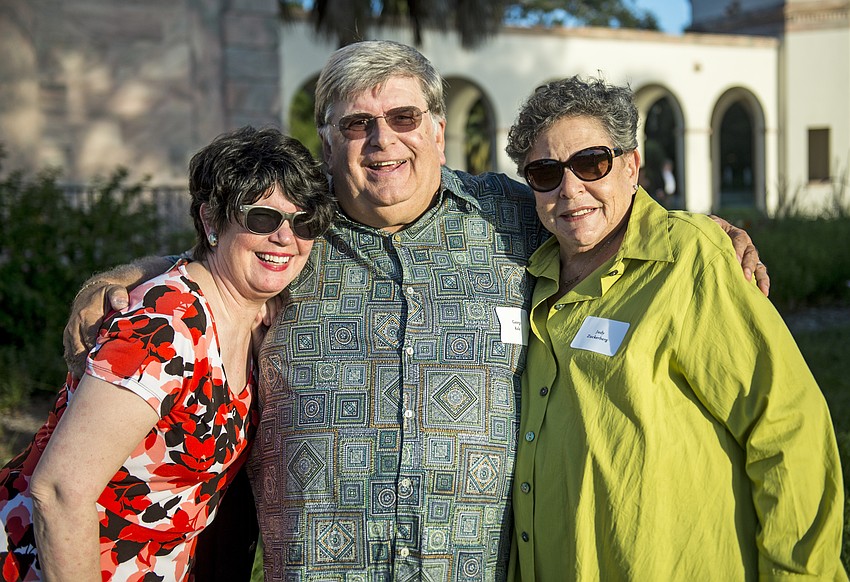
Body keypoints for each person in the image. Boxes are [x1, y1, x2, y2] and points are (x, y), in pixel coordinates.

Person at [62, 41, 769, 580]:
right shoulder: (294, 236)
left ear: (437, 128)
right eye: (358, 124)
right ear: (329, 139)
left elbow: (596, 208)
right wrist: (125, 275)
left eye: (403, 118)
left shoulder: (512, 219)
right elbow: (216, 262)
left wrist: (703, 231)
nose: (383, 140)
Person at [504, 76, 847, 580]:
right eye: (545, 172)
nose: (570, 188)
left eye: (591, 163)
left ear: (632, 166)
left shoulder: (690, 259)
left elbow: (786, 426)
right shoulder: (530, 271)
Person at [0, 126, 334, 580]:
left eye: (304, 223)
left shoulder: (253, 315)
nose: (285, 238)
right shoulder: (164, 329)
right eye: (262, 219)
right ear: (212, 220)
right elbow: (60, 492)